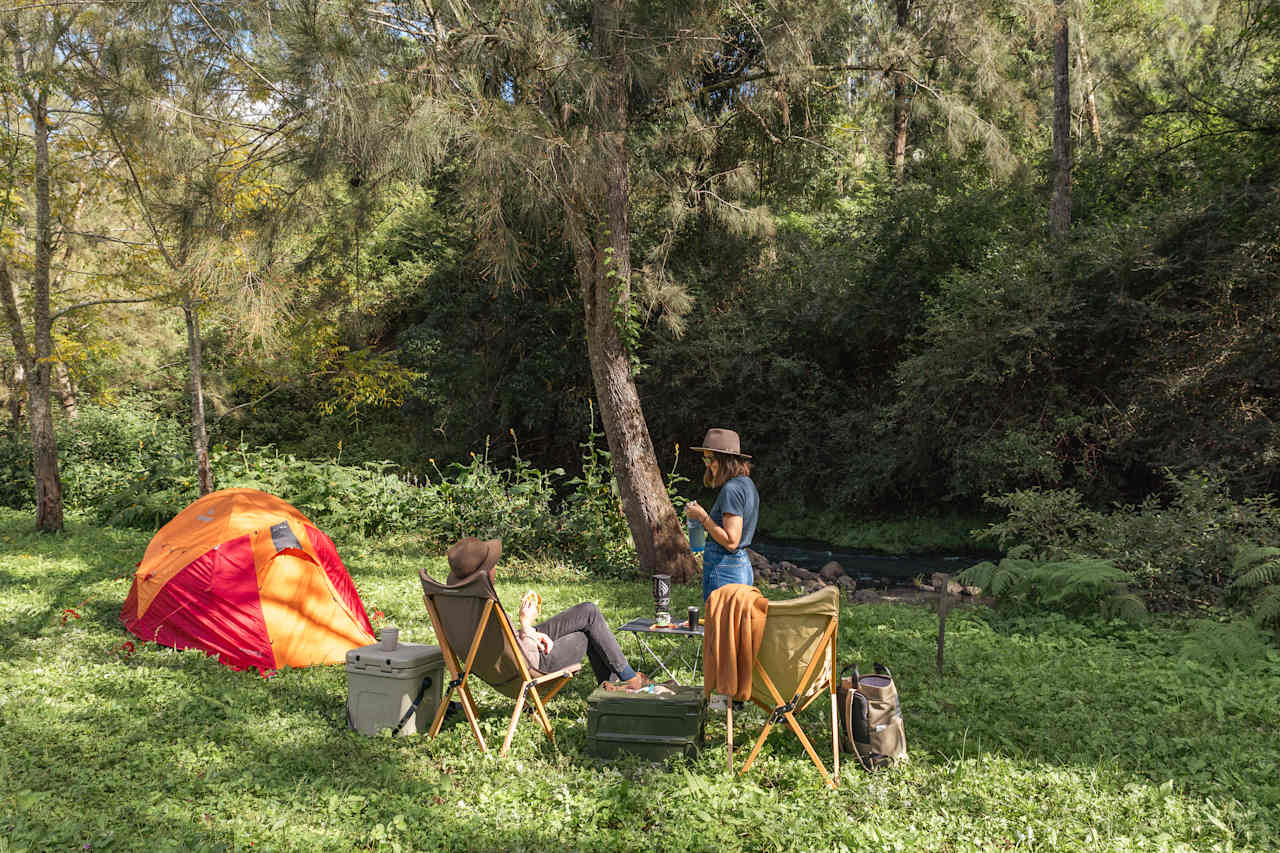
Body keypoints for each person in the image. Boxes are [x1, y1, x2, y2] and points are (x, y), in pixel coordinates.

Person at [445, 537, 650, 690]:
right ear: (484, 572)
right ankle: (628, 681)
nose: (495, 567)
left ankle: (617, 682)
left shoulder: (460, 602)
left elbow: (499, 642)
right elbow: (519, 653)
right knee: (584, 634)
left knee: (588, 611)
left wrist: (533, 633)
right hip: (527, 665)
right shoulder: (486, 603)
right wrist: (526, 624)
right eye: (492, 564)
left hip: (506, 660)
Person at [685, 428, 759, 602]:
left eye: (710, 459)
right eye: (705, 459)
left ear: (725, 460)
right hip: (739, 565)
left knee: (720, 625)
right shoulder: (747, 484)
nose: (707, 465)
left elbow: (731, 542)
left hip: (725, 568)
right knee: (735, 626)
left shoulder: (731, 490)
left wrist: (703, 517)